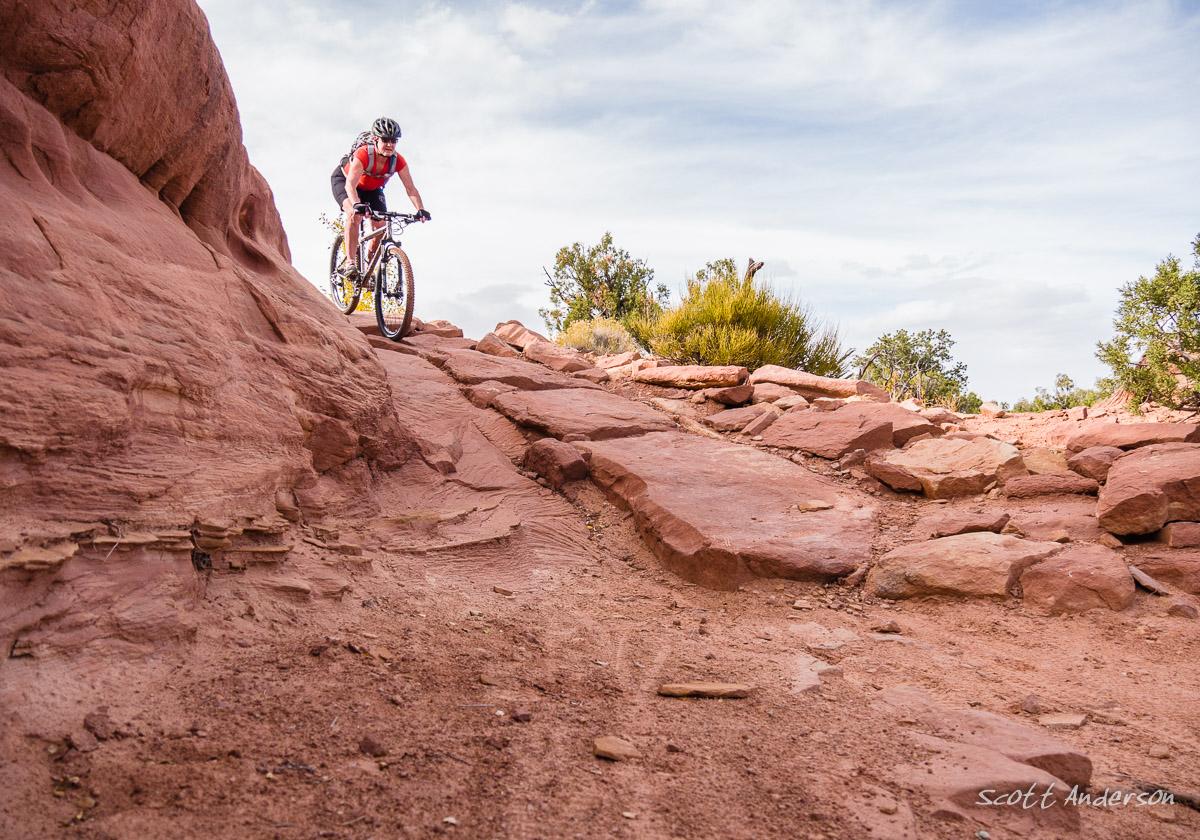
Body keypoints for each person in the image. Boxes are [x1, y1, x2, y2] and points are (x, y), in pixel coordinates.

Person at [330, 116, 430, 279]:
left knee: (381, 226)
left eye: (394, 140)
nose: (390, 144)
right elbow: (350, 186)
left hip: (372, 189)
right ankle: (350, 263)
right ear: (376, 139)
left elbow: (410, 188)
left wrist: (420, 210)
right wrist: (356, 205)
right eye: (385, 140)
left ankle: (368, 268)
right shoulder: (363, 154)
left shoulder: (398, 161)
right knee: (354, 215)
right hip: (345, 182)